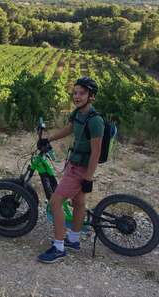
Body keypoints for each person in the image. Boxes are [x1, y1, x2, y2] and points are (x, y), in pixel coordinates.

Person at [37, 76, 104, 263]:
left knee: (56, 203)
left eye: (82, 93)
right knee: (79, 201)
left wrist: (89, 177)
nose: (77, 96)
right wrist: (48, 139)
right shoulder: (78, 114)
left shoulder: (95, 120)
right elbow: (69, 129)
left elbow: (96, 152)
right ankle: (73, 240)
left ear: (91, 96)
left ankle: (59, 247)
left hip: (81, 168)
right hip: (74, 163)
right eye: (75, 92)